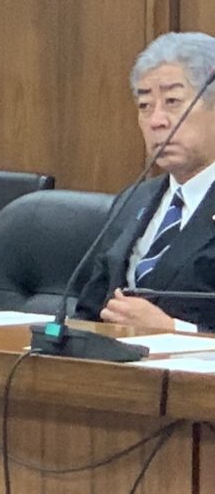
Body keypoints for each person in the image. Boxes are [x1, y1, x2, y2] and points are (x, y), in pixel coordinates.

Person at [76, 32, 215, 331]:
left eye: (172, 101)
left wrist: (175, 330)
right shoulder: (134, 199)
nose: (156, 121)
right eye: (145, 105)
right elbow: (88, 310)